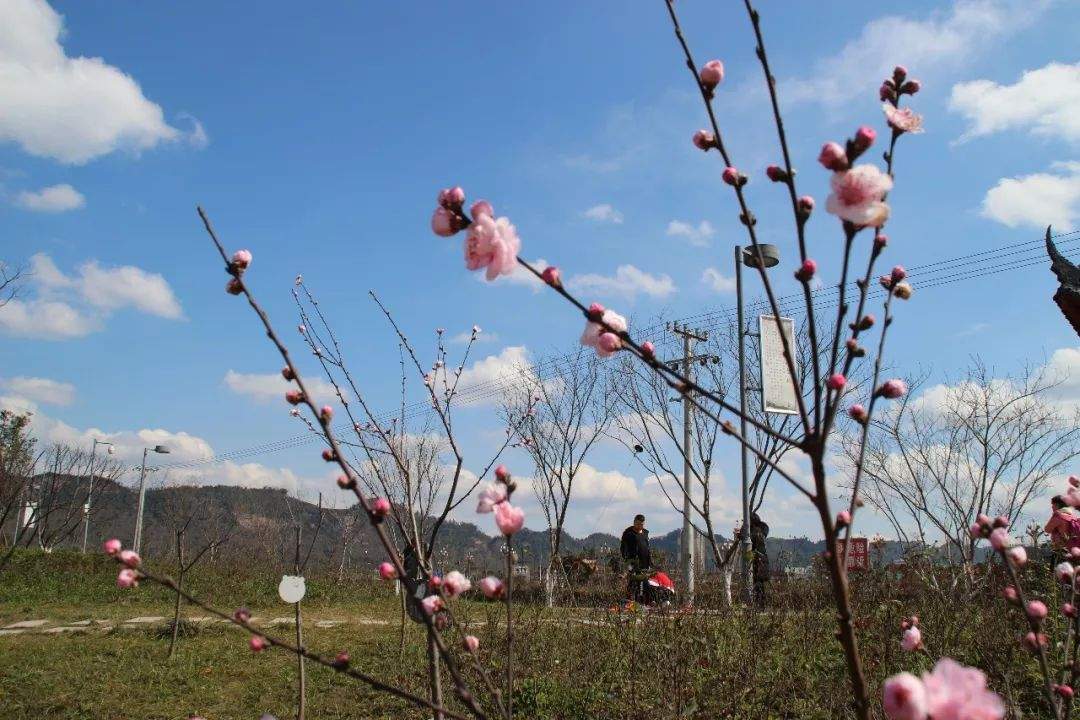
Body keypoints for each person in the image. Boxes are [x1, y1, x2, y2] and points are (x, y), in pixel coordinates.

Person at [620, 514, 651, 602]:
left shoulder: (645, 533)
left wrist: (649, 562)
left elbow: (647, 549)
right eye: (638, 524)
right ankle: (630, 600)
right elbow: (623, 548)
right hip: (633, 562)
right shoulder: (628, 534)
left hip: (644, 563)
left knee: (644, 584)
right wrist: (627, 560)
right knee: (634, 581)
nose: (640, 526)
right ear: (634, 523)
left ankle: (643, 602)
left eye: (641, 524)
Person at [750, 513, 770, 608]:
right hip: (757, 558)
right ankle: (759, 605)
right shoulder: (761, 529)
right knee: (757, 583)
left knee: (758, 583)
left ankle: (759, 605)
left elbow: (756, 539)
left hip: (758, 559)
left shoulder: (758, 530)